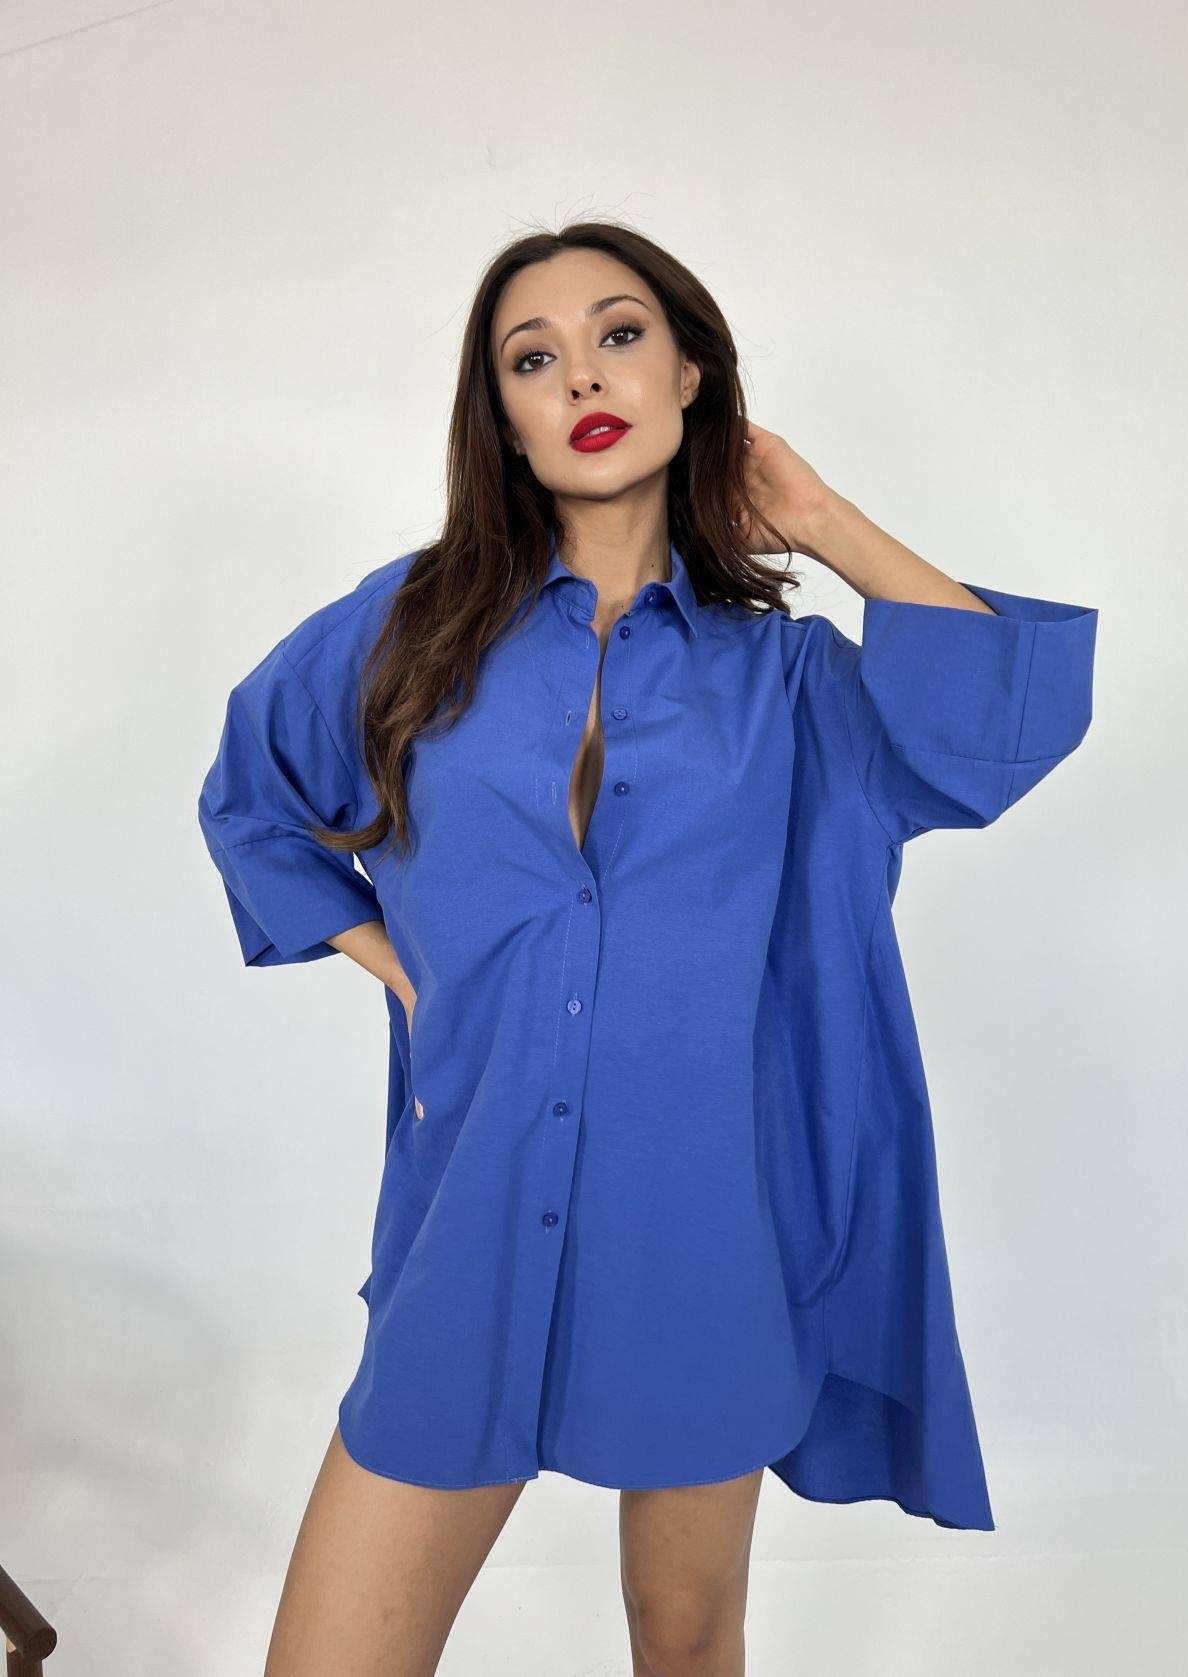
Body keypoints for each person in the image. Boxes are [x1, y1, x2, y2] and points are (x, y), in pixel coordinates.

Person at [197, 220, 1098, 1677]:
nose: (581, 377)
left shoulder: (788, 683)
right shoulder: (406, 628)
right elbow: (253, 803)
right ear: (501, 416)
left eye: (619, 335)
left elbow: (1006, 725)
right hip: (472, 1213)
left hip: (707, 1231)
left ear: (690, 373)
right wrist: (402, 968)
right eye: (532, 358)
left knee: (684, 1643)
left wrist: (822, 518)